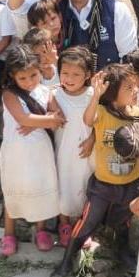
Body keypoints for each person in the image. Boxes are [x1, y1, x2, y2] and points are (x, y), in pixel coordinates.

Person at [50, 64, 139, 277]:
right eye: (129, 87)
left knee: (123, 222)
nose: (135, 91)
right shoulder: (102, 113)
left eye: (135, 86)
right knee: (87, 222)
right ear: (113, 92)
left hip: (131, 183)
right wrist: (96, 94)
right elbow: (88, 120)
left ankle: (122, 254)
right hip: (104, 185)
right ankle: (67, 260)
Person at [0, 44, 63, 255]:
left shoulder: (46, 92)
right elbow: (23, 118)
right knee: (13, 189)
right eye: (23, 78)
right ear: (13, 77)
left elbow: (59, 118)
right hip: (16, 153)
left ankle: (41, 230)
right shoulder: (9, 94)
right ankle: (9, 232)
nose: (29, 82)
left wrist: (36, 121)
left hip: (40, 153)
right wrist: (41, 120)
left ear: (39, 71)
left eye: (33, 76)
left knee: (39, 188)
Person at [53, 46, 96, 246]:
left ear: (87, 75)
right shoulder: (55, 95)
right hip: (63, 152)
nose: (69, 78)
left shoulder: (93, 94)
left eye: (76, 74)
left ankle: (83, 226)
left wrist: (92, 139)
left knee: (85, 185)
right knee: (64, 185)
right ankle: (64, 225)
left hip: (86, 152)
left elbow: (101, 122)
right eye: (65, 73)